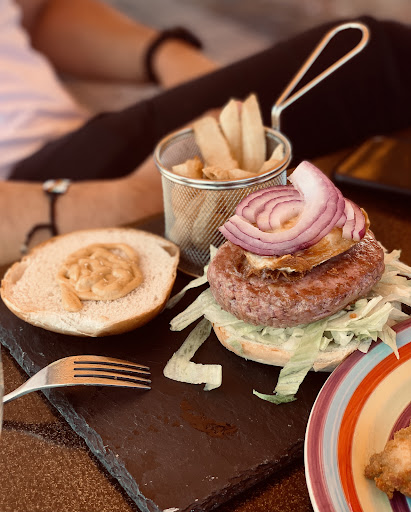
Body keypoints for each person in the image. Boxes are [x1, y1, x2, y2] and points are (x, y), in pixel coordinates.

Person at [3, 4, 411, 265]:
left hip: (72, 140)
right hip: (28, 196)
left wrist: (166, 55)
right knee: (380, 58)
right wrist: (129, 199)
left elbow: (37, 13)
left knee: (371, 65)